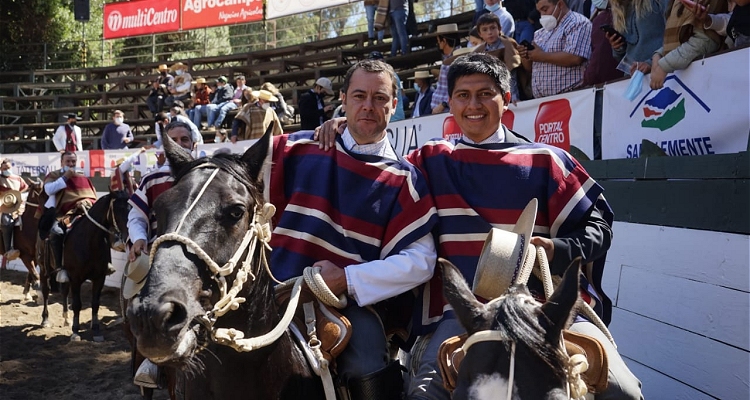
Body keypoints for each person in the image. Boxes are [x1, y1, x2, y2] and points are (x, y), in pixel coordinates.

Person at [315, 53, 643, 400]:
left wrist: (556, 250)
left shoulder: (547, 159)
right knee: (426, 395)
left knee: (624, 392)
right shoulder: (428, 160)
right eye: (463, 95)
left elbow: (599, 224)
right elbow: (376, 166)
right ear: (451, 103)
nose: (474, 104)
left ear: (507, 98)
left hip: (544, 309)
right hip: (459, 314)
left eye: (486, 93)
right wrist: (343, 131)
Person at [267, 59, 438, 400]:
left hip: (350, 302)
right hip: (273, 287)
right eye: (359, 96)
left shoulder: (406, 179)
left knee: (367, 367)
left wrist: (348, 279)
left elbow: (422, 261)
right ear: (342, 100)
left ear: (394, 105)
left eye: (380, 98)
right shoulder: (297, 149)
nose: (368, 106)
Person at [126, 122, 195, 390]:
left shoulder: (207, 175)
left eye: (185, 139)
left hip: (198, 257)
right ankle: (149, 361)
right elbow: (136, 215)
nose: (179, 144)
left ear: (194, 143)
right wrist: (139, 238)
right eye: (173, 139)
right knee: (138, 300)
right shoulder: (152, 179)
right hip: (157, 256)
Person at [36, 151, 97, 283]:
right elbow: (49, 190)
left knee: (99, 229)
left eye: (73, 161)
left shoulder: (82, 177)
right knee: (56, 232)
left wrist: (86, 202)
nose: (71, 164)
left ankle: (103, 264)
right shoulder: (54, 175)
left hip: (81, 212)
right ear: (61, 162)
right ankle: (59, 268)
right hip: (60, 214)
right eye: (68, 161)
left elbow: (91, 195)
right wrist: (65, 177)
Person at [516, 0, 592, 98]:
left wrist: (542, 56)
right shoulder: (540, 33)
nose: (542, 15)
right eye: (540, 12)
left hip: (572, 98)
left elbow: (575, 58)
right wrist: (526, 56)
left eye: (545, 9)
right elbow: (530, 68)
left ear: (560, 5)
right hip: (543, 102)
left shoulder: (578, 23)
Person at [649, 0, 729, 89]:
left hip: (704, 83)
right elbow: (676, 40)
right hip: (683, 81)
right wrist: (658, 55)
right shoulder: (675, 2)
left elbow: (706, 41)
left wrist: (664, 66)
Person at [606, 0, 668, 77]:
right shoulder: (620, 8)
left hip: (662, 74)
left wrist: (652, 62)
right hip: (633, 78)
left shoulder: (657, 2)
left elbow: (674, 36)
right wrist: (618, 48)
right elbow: (625, 57)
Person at [474, 12, 523, 100]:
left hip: (511, 90)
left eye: (493, 28)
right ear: (480, 33)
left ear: (499, 28)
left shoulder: (508, 44)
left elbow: (512, 73)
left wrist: (514, 97)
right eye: (485, 30)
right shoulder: (480, 51)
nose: (489, 32)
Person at [583, 0, 625, 86]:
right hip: (601, 83)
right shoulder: (599, 18)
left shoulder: (605, 19)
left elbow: (600, 58)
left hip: (616, 82)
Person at [429, 24, 465, 114]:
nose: (437, 44)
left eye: (438, 40)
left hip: (447, 111)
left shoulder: (459, 57)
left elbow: (459, 85)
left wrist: (443, 104)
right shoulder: (448, 58)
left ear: (444, 41)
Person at [0, 159, 29, 264]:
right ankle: (8, 249)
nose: (7, 170)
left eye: (8, 168)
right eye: (4, 168)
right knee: (6, 221)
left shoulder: (18, 178)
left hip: (18, 205)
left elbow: (25, 188)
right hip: (3, 206)